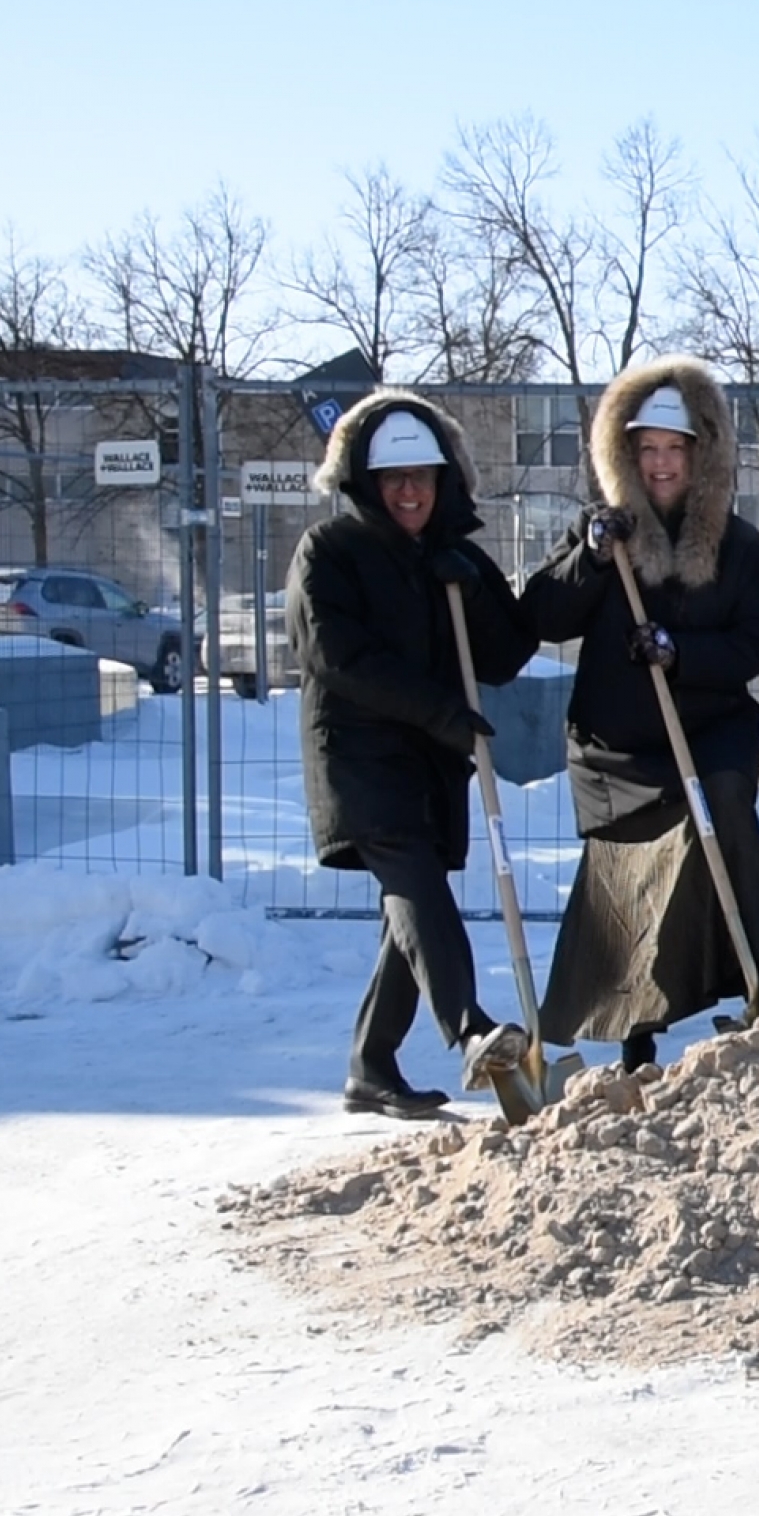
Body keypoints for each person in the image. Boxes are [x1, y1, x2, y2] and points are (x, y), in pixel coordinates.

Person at [522, 357, 759, 1068]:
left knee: (724, 806)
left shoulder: (737, 545)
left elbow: (753, 638)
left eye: (674, 449)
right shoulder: (602, 535)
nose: (660, 463)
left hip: (709, 730)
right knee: (629, 866)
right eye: (647, 448)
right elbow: (543, 615)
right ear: (626, 452)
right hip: (616, 744)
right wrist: (588, 560)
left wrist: (681, 651)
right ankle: (632, 1025)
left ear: (700, 454)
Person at [288, 391, 538, 1117]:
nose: (407, 491)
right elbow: (336, 654)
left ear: (442, 481)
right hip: (359, 758)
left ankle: (371, 1064)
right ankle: (473, 1028)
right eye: (393, 478)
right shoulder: (329, 552)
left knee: (410, 910)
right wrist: (439, 712)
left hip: (430, 760)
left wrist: (475, 588)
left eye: (421, 477)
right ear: (364, 481)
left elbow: (507, 650)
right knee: (416, 886)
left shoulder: (449, 559)